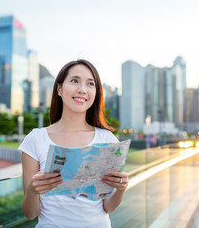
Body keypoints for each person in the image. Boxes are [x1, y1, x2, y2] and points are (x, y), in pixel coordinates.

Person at [18, 59, 128, 228]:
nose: (82, 90)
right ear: (59, 89)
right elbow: (30, 213)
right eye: (75, 81)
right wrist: (33, 190)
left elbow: (108, 207)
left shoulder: (107, 140)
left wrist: (121, 189)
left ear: (96, 92)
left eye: (90, 84)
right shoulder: (35, 139)